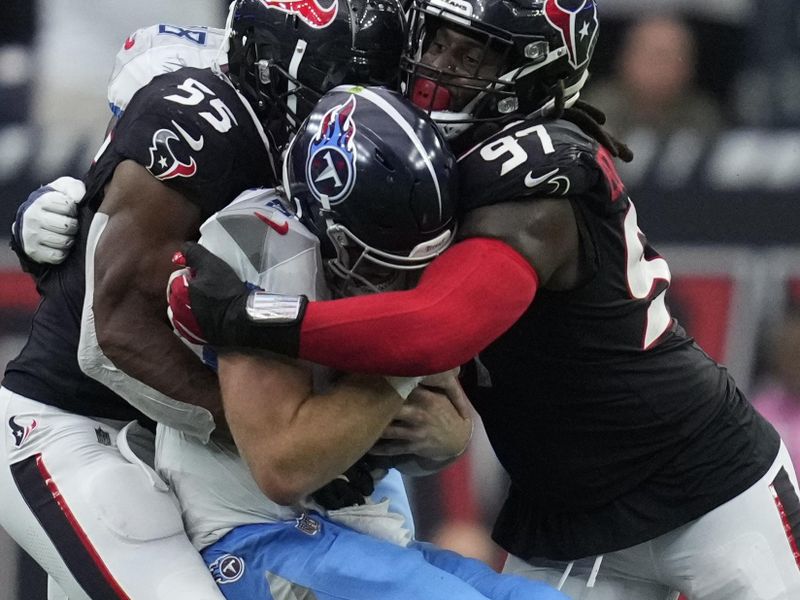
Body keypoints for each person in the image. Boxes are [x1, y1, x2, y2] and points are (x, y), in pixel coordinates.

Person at [170, 1, 800, 598]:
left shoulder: (537, 188)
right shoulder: (432, 153)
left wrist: (251, 316)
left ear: (540, 72)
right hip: (567, 518)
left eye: (473, 58)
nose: (438, 69)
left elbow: (436, 328)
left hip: (707, 485)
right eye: (438, 42)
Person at [0, 1, 412, 598]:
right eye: (342, 81)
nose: (356, 106)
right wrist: (261, 431)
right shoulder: (202, 117)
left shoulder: (332, 150)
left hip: (174, 445)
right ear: (275, 66)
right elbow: (108, 335)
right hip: (70, 424)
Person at [582, 13, 725, 138]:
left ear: (689, 67)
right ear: (625, 60)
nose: (660, 68)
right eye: (653, 57)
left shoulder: (702, 116)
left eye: (670, 59)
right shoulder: (598, 107)